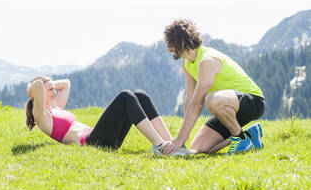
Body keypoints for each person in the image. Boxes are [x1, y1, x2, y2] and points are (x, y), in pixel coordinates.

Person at [160, 19, 265, 155]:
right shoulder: (187, 63)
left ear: (182, 42)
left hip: (252, 102)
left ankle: (241, 140)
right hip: (228, 108)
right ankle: (249, 135)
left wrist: (178, 140)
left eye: (171, 43)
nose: (168, 48)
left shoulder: (207, 60)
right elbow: (190, 100)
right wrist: (182, 139)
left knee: (211, 100)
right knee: (199, 147)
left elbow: (197, 104)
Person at [25, 76, 195, 156]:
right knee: (125, 96)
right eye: (50, 90)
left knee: (140, 96)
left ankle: (172, 145)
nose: (55, 92)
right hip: (91, 142)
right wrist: (38, 84)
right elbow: (38, 86)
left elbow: (66, 83)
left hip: (104, 137)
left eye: (54, 89)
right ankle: (159, 147)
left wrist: (49, 84)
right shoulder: (41, 116)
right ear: (36, 95)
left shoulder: (56, 107)